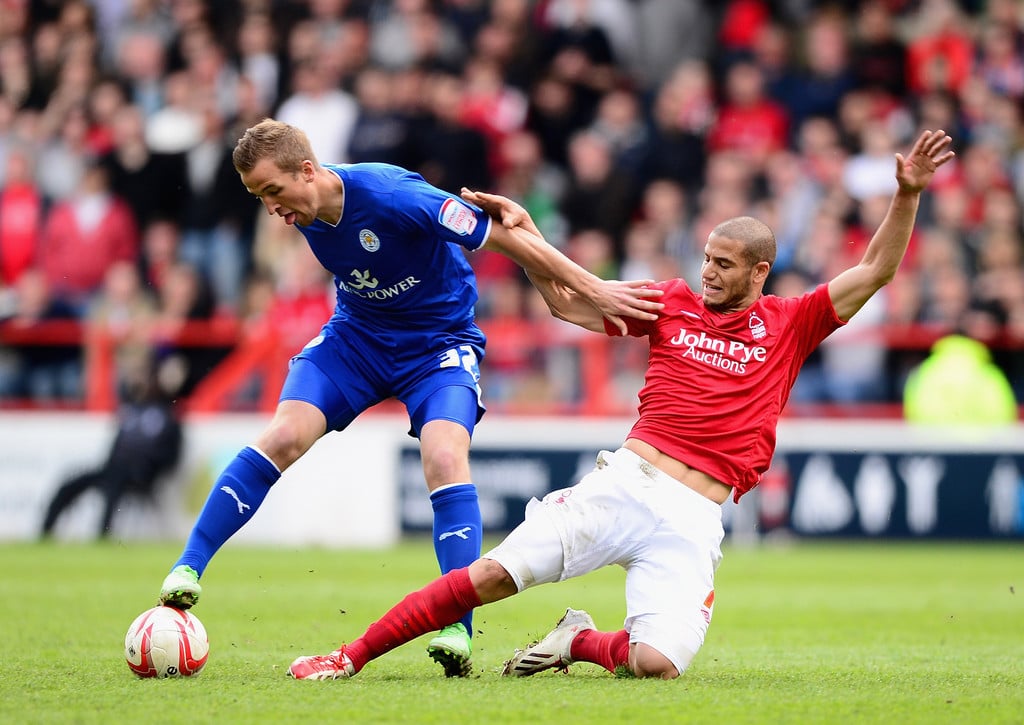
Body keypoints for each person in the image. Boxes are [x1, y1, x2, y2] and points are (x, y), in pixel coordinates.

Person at [285, 128, 955, 681]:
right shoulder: (671, 302)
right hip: (628, 483)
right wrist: (527, 242)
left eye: (726, 263)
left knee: (658, 662)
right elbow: (569, 301)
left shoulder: (792, 321)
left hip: (696, 516)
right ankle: (348, 656)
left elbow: (875, 272)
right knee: (489, 575)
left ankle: (576, 642)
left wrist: (907, 194)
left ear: (760, 273)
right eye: (708, 258)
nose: (710, 271)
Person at [156, 118, 662, 678]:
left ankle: (458, 628)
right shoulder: (302, 209)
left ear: (307, 170)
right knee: (282, 435)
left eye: (273, 192)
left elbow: (505, 235)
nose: (272, 209)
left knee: (445, 457)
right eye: (259, 198)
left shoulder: (393, 195)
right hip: (357, 339)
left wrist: (591, 287)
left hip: (438, 345)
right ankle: (187, 569)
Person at [40, 357, 183, 539]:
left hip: (142, 474)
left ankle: (102, 534)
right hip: (115, 469)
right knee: (71, 483)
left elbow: (171, 455)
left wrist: (149, 467)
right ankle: (46, 530)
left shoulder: (168, 415)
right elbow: (115, 447)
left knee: (115, 482)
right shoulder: (131, 410)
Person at [903, 334, 1017, 425]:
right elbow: (1002, 412)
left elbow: (914, 410)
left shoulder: (925, 370)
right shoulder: (988, 371)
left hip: (932, 445)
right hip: (981, 447)